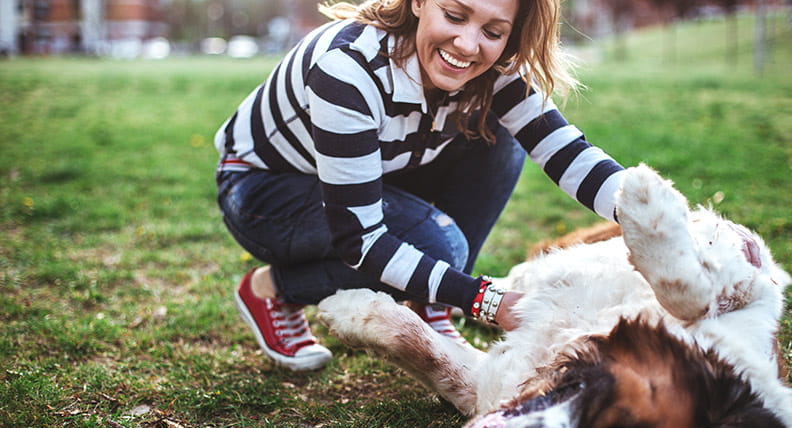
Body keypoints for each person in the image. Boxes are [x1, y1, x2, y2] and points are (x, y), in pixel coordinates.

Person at [215, 0, 626, 371]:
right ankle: (270, 289)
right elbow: (361, 241)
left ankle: (432, 303)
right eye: (454, 15)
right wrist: (486, 300)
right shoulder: (347, 68)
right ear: (418, 3)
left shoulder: (495, 65)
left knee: (497, 134)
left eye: (493, 31)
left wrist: (655, 212)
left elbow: (566, 152)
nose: (468, 45)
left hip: (382, 167)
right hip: (263, 191)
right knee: (439, 247)